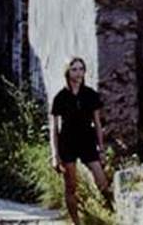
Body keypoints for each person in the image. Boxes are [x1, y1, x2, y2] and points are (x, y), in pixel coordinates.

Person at [49, 57, 112, 222]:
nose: (78, 73)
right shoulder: (60, 97)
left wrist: (102, 149)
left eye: (81, 69)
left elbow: (98, 124)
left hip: (87, 141)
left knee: (102, 181)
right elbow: (54, 129)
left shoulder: (90, 95)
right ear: (67, 72)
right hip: (67, 143)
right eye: (74, 69)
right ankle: (76, 222)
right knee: (71, 186)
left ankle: (112, 215)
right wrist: (55, 155)